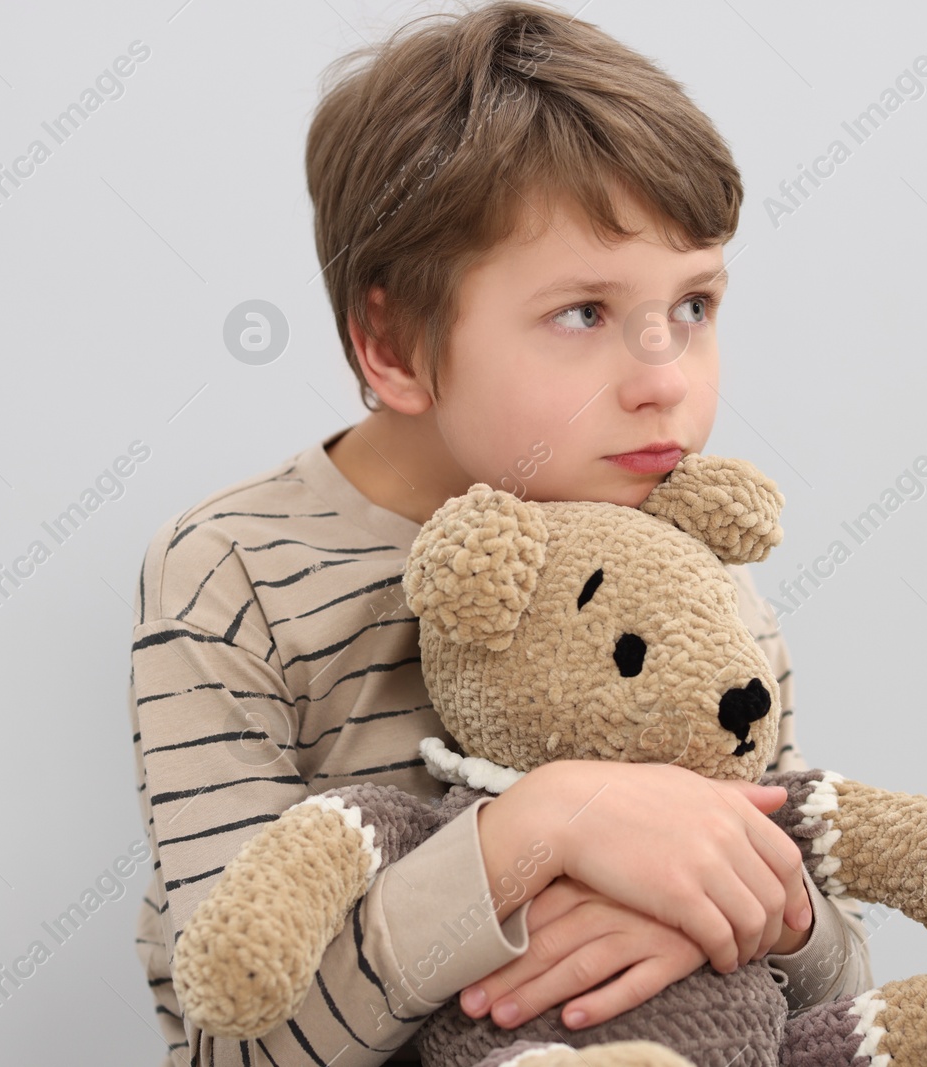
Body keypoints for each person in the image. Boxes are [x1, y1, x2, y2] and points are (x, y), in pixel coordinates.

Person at [126, 4, 873, 1065]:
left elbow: (822, 987)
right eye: (583, 313)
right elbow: (238, 1039)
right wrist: (536, 832)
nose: (665, 379)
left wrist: (768, 910)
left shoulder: (692, 575)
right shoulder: (234, 575)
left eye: (695, 303)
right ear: (392, 342)